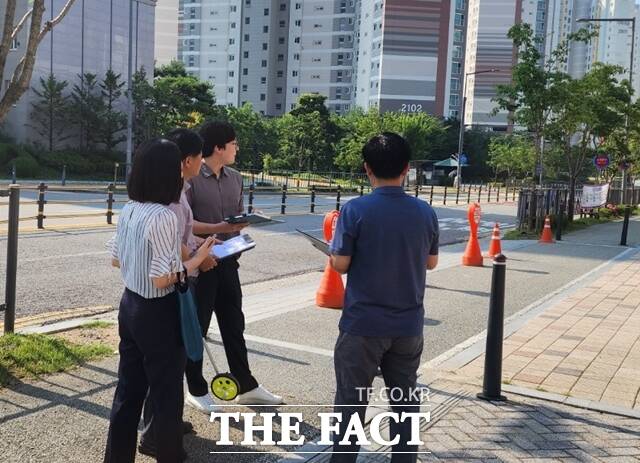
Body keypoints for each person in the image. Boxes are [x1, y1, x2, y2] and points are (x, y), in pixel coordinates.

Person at [328, 133, 439, 463]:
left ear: (366, 169)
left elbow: (341, 264)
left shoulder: (355, 210)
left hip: (362, 325)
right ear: (406, 169)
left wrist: (334, 256)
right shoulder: (425, 212)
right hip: (408, 325)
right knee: (405, 403)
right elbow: (431, 262)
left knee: (351, 402)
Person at [104, 138, 215, 463]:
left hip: (130, 306)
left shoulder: (130, 209)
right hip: (159, 311)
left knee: (128, 391)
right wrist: (199, 258)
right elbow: (164, 278)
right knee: (167, 396)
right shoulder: (164, 216)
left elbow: (115, 260)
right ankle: (170, 456)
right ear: (169, 174)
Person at [184, 120, 283, 411]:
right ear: (218, 147)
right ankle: (197, 388)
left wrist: (245, 221)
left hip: (229, 262)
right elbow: (185, 225)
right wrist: (212, 238)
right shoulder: (191, 178)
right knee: (197, 330)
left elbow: (234, 218)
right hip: (202, 265)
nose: (237, 148)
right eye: (233, 144)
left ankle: (246, 384)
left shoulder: (235, 178)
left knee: (233, 325)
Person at [138, 129, 218, 459]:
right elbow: (174, 248)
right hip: (173, 288)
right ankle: (157, 433)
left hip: (173, 284)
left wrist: (200, 249)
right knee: (168, 366)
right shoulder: (170, 201)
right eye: (200, 156)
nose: (202, 161)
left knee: (166, 366)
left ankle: (163, 424)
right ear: (186, 160)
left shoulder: (177, 192)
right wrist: (201, 256)